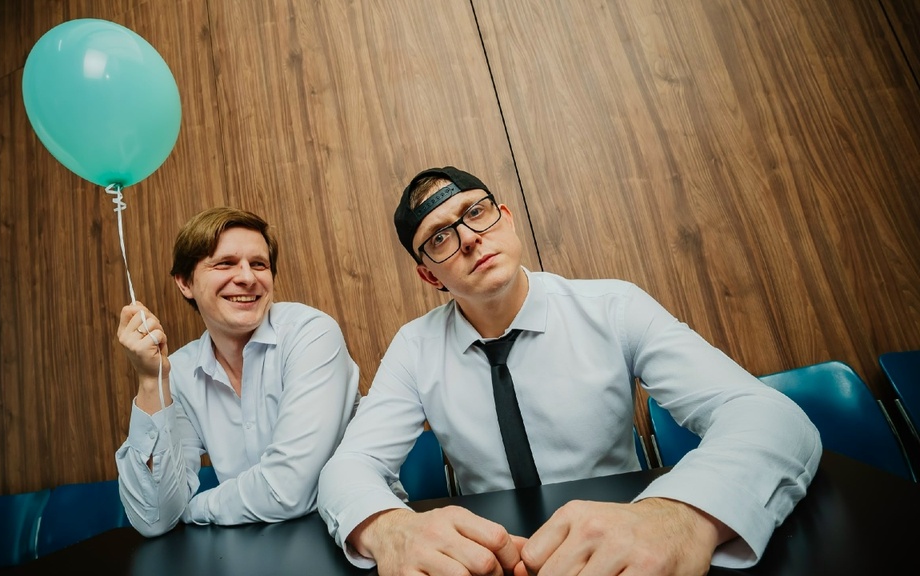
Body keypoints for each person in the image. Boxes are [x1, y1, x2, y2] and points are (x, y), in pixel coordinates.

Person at [317, 166, 821, 575]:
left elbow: (771, 418)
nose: (469, 238)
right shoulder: (414, 348)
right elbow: (348, 468)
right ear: (430, 275)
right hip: (497, 561)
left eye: (476, 213)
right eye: (440, 237)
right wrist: (391, 529)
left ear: (506, 218)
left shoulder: (614, 307)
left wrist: (678, 518)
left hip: (628, 552)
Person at [116, 206, 360, 537]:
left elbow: (287, 490)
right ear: (185, 283)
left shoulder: (311, 334)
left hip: (348, 537)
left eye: (259, 264)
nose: (247, 277)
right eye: (225, 263)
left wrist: (195, 509)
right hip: (253, 546)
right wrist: (150, 381)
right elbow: (155, 518)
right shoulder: (180, 372)